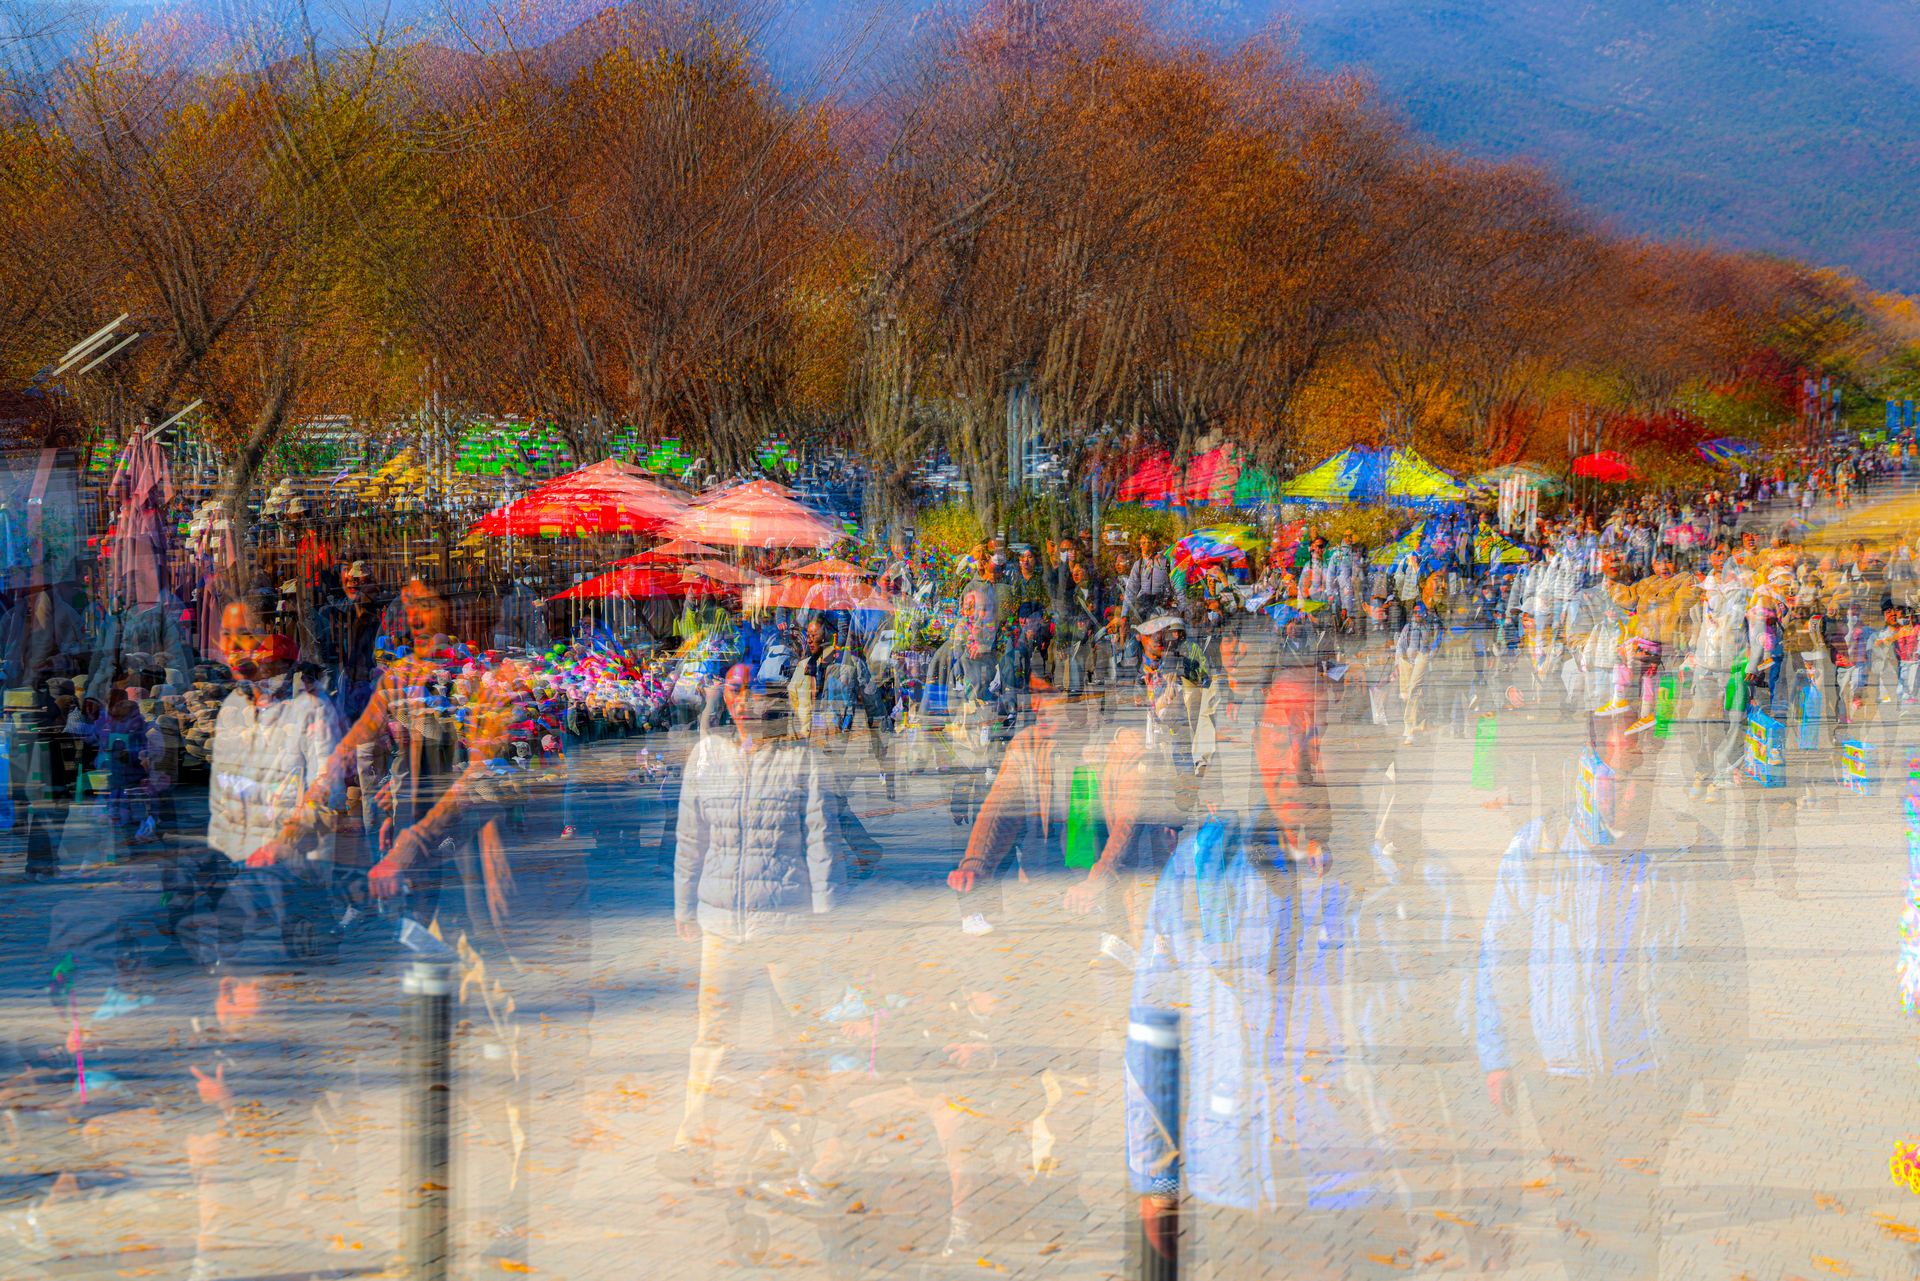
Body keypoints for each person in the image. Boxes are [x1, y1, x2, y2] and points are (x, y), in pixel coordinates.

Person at [664, 663, 847, 1178]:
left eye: (754, 692)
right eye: (735, 690)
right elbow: (690, 836)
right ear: (723, 697)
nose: (744, 702)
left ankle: (789, 1146)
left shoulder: (802, 759)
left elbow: (822, 838)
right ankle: (695, 1140)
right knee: (712, 1036)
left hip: (787, 924)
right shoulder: (706, 757)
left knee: (800, 1038)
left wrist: (825, 912)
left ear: (774, 699)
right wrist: (683, 905)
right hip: (721, 923)